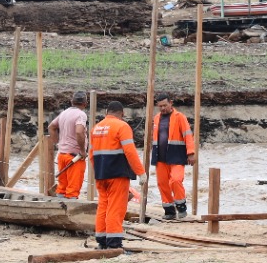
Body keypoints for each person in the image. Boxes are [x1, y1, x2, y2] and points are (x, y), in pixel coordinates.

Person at [90, 100, 144, 250]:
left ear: (107, 112)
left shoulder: (96, 128)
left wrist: (98, 171)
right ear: (122, 114)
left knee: (103, 206)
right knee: (116, 207)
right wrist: (141, 172)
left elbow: (91, 154)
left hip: (101, 174)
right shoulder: (122, 126)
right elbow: (130, 151)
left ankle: (102, 240)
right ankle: (114, 243)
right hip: (117, 174)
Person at [149, 93, 196, 221]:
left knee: (175, 180)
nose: (163, 108)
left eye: (165, 105)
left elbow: (188, 135)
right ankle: (169, 210)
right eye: (160, 106)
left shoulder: (179, 117)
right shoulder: (157, 118)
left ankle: (181, 207)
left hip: (176, 155)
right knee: (162, 184)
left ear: (171, 103)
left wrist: (191, 153)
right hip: (160, 157)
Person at [48, 92, 91, 199]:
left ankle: (59, 209)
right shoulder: (81, 115)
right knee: (73, 190)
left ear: (72, 102)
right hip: (74, 157)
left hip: (62, 155)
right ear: (85, 104)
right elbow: (79, 131)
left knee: (62, 188)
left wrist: (57, 143)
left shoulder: (64, 113)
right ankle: (70, 211)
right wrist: (82, 150)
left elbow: (52, 127)